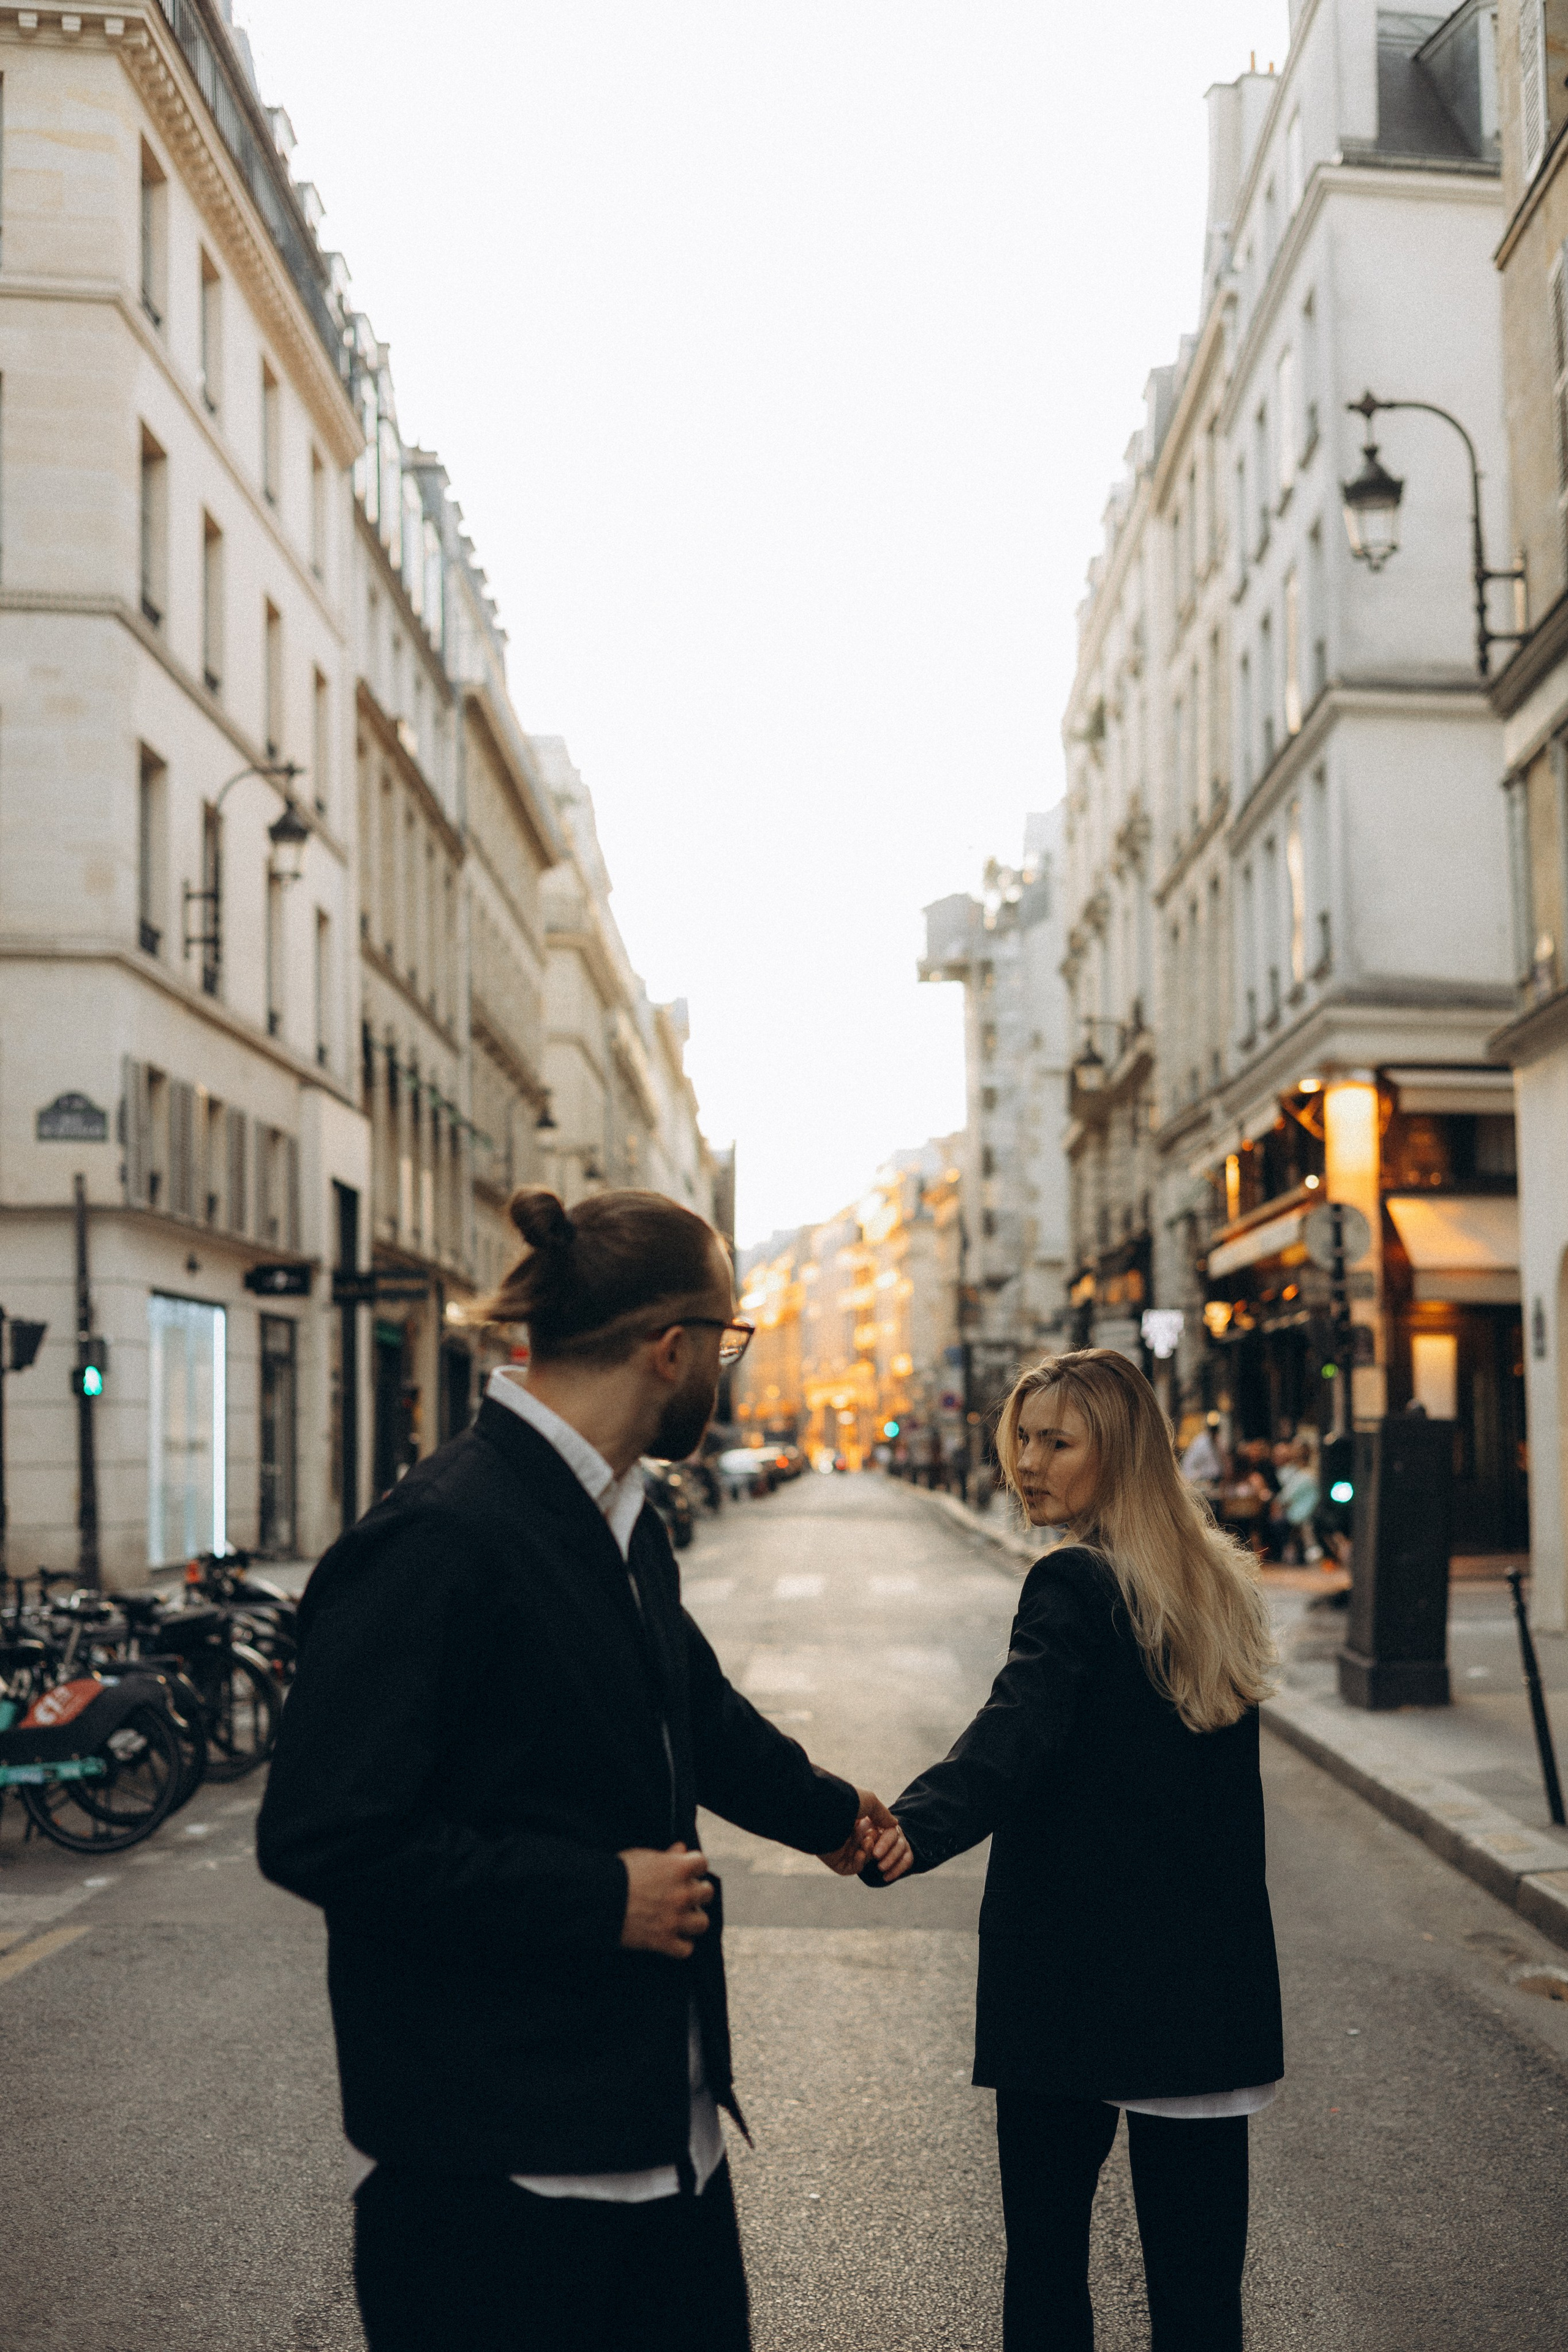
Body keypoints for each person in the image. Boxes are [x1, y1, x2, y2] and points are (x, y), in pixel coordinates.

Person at [257, 1185, 910, 2352]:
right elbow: (323, 1832)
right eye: (728, 1340)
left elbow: (689, 1706)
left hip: (664, 2144)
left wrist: (827, 1815)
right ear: (673, 1349)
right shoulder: (441, 1536)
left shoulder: (619, 1515)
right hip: (498, 2191)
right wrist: (599, 1899)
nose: (729, 1368)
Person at [862, 1348, 1282, 2351]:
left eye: (1058, 1441)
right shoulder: (1215, 1584)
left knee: (1048, 2273)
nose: (1028, 1462)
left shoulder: (1073, 1581)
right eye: (1024, 1437)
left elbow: (1017, 1735)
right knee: (1199, 2298)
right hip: (1202, 1990)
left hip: (1076, 1985)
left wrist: (908, 1829)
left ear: (1121, 1452)